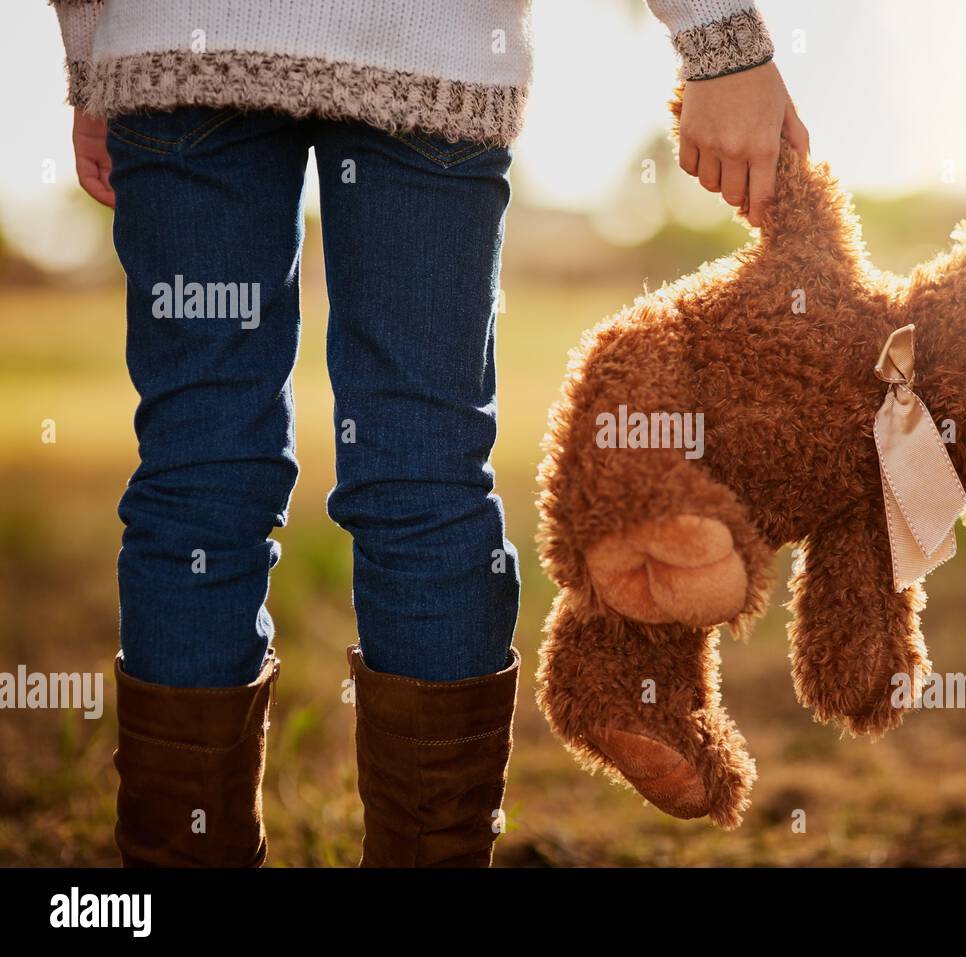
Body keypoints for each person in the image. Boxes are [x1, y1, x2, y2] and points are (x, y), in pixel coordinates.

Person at [52, 0, 808, 868]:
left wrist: (93, 51)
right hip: (430, 43)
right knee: (423, 474)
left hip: (175, 40)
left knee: (199, 474)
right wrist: (721, 43)